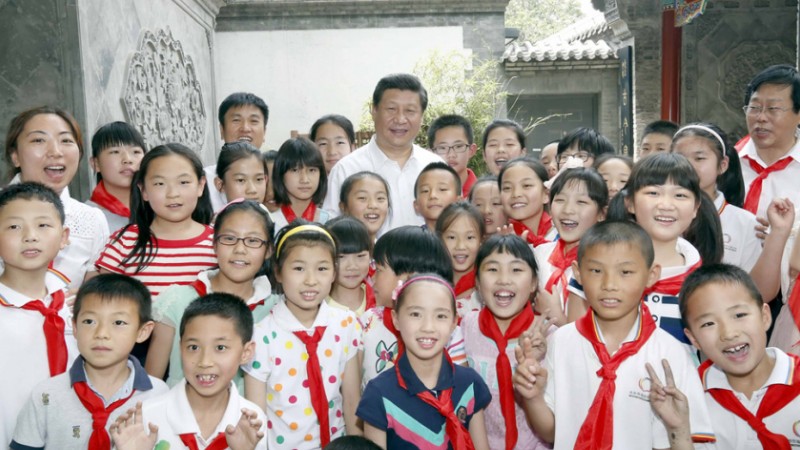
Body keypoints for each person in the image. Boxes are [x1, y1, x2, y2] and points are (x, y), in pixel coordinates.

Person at [514, 220, 716, 449]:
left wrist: (678, 429)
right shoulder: (561, 342)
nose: (609, 284)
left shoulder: (670, 353)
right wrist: (532, 397)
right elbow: (551, 432)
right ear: (578, 273)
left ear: (651, 275)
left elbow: (690, 440)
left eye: (626, 272)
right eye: (596, 271)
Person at [10, 274, 168, 450]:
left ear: (143, 332)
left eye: (118, 322)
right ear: (75, 328)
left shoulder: (160, 396)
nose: (101, 333)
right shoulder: (46, 395)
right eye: (89, 321)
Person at [244, 222, 362, 448]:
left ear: (334, 273)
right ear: (278, 272)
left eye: (322, 269)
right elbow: (255, 417)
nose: (311, 280)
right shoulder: (260, 336)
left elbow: (351, 402)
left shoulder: (346, 324)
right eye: (298, 268)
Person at [592, 153, 722, 349]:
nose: (666, 205)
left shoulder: (705, 284)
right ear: (630, 203)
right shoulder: (598, 267)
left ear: (696, 208)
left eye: (680, 195)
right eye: (653, 193)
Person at [145, 200, 276, 389]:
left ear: (268, 250)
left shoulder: (276, 309)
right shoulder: (177, 300)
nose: (240, 249)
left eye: (253, 241)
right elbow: (152, 383)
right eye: (229, 238)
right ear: (214, 244)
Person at [112, 293, 267, 450]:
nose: (205, 361)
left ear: (246, 353)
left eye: (220, 348)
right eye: (193, 347)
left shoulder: (252, 421)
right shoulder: (144, 417)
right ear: (180, 349)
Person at [357, 273, 492, 450]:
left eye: (440, 316)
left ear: (454, 322)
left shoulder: (469, 384)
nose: (428, 327)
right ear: (396, 319)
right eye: (415, 314)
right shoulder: (379, 393)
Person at [679, 264, 800, 450]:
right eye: (709, 323)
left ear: (765, 316)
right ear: (693, 338)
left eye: (739, 315)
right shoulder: (690, 394)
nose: (728, 333)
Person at [672, 123, 795, 303]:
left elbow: (760, 293)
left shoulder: (746, 223)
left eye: (699, 158)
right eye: (679, 158)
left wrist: (777, 235)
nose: (688, 166)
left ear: (722, 165)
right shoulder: (656, 214)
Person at [0, 182, 77, 447]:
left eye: (43, 225)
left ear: (64, 236)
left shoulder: (74, 308)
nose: (30, 236)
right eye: (14, 226)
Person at [3, 106, 109, 288]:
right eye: (39, 140)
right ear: (15, 156)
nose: (55, 151)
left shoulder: (93, 220)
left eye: (66, 140)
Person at [462, 234, 551, 450]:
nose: (503, 279)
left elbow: (558, 426)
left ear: (533, 284)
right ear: (477, 283)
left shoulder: (550, 335)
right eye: (492, 269)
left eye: (516, 270)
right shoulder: (467, 326)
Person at [324, 73, 443, 233]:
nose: (400, 119)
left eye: (410, 111)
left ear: (421, 116)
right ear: (374, 110)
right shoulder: (347, 169)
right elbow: (332, 233)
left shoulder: (436, 167)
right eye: (391, 109)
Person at [94, 143, 216, 297]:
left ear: (201, 185)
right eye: (160, 184)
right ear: (143, 190)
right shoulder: (124, 242)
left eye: (183, 182)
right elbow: (105, 301)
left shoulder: (219, 243)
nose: (172, 193)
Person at [359, 226, 466, 389]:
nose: (372, 277)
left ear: (408, 278)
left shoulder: (449, 334)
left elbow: (461, 389)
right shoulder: (368, 322)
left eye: (379, 270)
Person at [535, 168, 607, 325]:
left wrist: (556, 317)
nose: (568, 210)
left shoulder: (604, 267)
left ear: (602, 213)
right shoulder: (538, 254)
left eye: (581, 202)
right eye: (560, 200)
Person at [206, 92, 270, 211]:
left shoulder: (279, 177)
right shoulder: (203, 181)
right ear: (222, 130)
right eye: (236, 120)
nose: (245, 128)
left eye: (254, 121)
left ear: (264, 131)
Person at [86, 121, 147, 232]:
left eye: (136, 151)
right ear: (96, 164)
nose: (127, 159)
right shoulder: (86, 218)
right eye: (115, 152)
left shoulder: (160, 208)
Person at [270, 138, 332, 236]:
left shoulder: (330, 222)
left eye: (312, 170)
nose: (304, 180)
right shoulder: (270, 223)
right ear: (280, 174)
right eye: (295, 170)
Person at [435, 201, 485, 317]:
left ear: (481, 241)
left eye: (470, 237)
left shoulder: (487, 287)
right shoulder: (429, 284)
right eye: (452, 237)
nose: (460, 246)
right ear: (440, 240)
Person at [499, 157, 555, 247]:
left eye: (526, 185)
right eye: (507, 188)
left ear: (546, 194)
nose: (516, 194)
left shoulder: (562, 235)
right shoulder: (499, 242)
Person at [326, 215, 375, 318]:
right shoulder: (317, 307)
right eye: (341, 257)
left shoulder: (381, 301)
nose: (352, 266)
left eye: (360, 256)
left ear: (370, 255)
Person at [428, 114, 479, 197]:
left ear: (471, 150)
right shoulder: (425, 196)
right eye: (442, 148)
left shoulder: (484, 194)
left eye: (458, 146)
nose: (451, 155)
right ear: (430, 153)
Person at [213, 142, 268, 210]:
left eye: (259, 179)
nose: (252, 190)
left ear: (266, 180)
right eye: (240, 180)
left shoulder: (270, 219)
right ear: (220, 184)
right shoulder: (219, 220)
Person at [338, 171, 391, 243]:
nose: (373, 205)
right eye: (362, 198)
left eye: (380, 198)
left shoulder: (385, 251)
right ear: (343, 207)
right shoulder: (331, 250)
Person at [414, 161, 461, 230]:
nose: (433, 195)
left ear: (459, 202)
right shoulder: (410, 240)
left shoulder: (471, 238)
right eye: (425, 191)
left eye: (442, 189)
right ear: (416, 205)